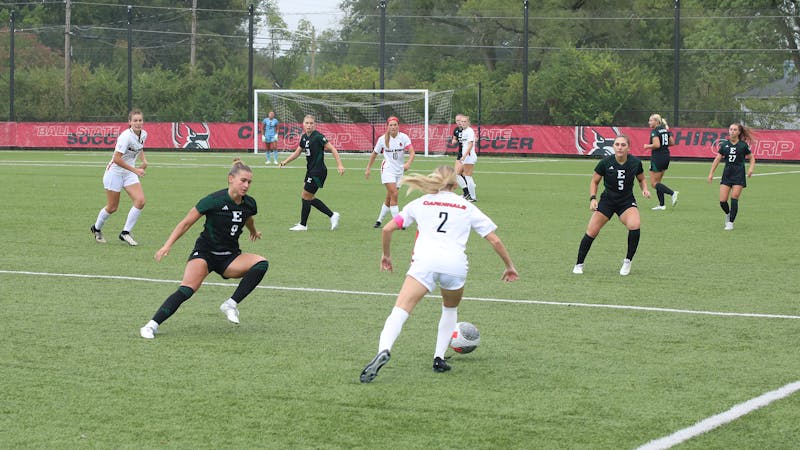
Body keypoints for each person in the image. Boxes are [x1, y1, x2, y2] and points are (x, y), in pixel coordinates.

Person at [359, 165, 518, 383]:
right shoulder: (465, 206)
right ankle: (439, 357)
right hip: (455, 266)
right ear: (455, 184)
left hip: (425, 263)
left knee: (400, 310)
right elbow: (495, 240)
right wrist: (509, 266)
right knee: (450, 308)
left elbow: (387, 229)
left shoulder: (420, 203)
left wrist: (386, 256)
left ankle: (383, 350)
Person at [139, 158, 268, 339]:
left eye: (249, 182)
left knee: (261, 264)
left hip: (230, 257)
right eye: (243, 180)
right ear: (231, 178)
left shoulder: (250, 203)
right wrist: (167, 246)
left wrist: (253, 231)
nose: (246, 185)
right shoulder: (213, 200)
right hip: (205, 254)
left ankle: (230, 304)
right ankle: (151, 325)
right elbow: (186, 223)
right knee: (187, 289)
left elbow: (247, 218)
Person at [572, 135, 651, 276]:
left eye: (623, 145)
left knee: (635, 225)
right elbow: (594, 181)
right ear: (613, 146)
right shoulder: (605, 163)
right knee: (591, 232)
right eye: (617, 144)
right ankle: (579, 264)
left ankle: (627, 262)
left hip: (626, 202)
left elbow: (642, 179)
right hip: (607, 201)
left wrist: (644, 189)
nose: (620, 147)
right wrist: (592, 198)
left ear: (628, 147)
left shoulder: (635, 163)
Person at [90, 109, 148, 246]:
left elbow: (139, 147)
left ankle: (125, 233)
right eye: (135, 120)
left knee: (140, 201)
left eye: (140, 120)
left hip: (128, 174)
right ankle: (96, 228)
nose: (138, 123)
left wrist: (144, 160)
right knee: (112, 207)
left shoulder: (144, 134)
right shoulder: (125, 137)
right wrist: (135, 170)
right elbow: (116, 159)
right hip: (114, 173)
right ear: (129, 122)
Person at [279, 114, 345, 231]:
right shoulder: (304, 137)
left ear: (315, 125)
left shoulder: (318, 137)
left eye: (311, 123)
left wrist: (339, 164)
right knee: (309, 197)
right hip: (311, 170)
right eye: (307, 123)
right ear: (303, 124)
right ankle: (332, 215)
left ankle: (303, 224)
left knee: (305, 195)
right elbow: (297, 152)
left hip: (318, 171)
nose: (309, 125)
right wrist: (285, 161)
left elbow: (333, 149)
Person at [365, 116, 415, 228]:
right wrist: (368, 168)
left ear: (398, 126)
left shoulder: (404, 137)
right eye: (390, 125)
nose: (393, 127)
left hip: (399, 170)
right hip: (387, 169)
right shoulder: (382, 139)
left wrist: (408, 163)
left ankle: (379, 220)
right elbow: (374, 154)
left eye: (395, 125)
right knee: (395, 194)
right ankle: (398, 223)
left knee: (389, 197)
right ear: (387, 126)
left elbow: (412, 152)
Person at [707, 122, 756, 231]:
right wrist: (711, 173)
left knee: (734, 198)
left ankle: (730, 223)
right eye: (730, 129)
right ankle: (728, 214)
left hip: (738, 175)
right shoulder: (724, 145)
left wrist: (751, 169)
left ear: (739, 132)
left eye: (734, 130)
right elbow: (717, 159)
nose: (732, 131)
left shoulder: (743, 145)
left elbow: (752, 158)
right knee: (722, 201)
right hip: (727, 175)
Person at [644, 113, 678, 210]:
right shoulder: (664, 130)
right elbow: (672, 143)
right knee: (658, 183)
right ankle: (662, 205)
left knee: (654, 184)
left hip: (657, 158)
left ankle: (672, 193)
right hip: (666, 157)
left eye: (651, 120)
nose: (649, 122)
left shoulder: (655, 131)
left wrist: (647, 146)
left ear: (656, 121)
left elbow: (656, 145)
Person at [456, 115, 478, 202]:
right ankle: (467, 193)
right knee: (457, 174)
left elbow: (470, 144)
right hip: (465, 156)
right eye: (462, 121)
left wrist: (464, 156)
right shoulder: (464, 131)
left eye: (465, 121)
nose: (463, 123)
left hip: (469, 156)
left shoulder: (469, 131)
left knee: (468, 176)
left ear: (468, 123)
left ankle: (473, 197)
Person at [450, 114, 470, 199]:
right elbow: (454, 138)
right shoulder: (456, 130)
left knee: (457, 174)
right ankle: (469, 191)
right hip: (460, 154)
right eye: (457, 121)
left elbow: (474, 139)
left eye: (460, 120)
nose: (458, 122)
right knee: (461, 174)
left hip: (466, 154)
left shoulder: (468, 130)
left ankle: (467, 192)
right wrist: (454, 141)